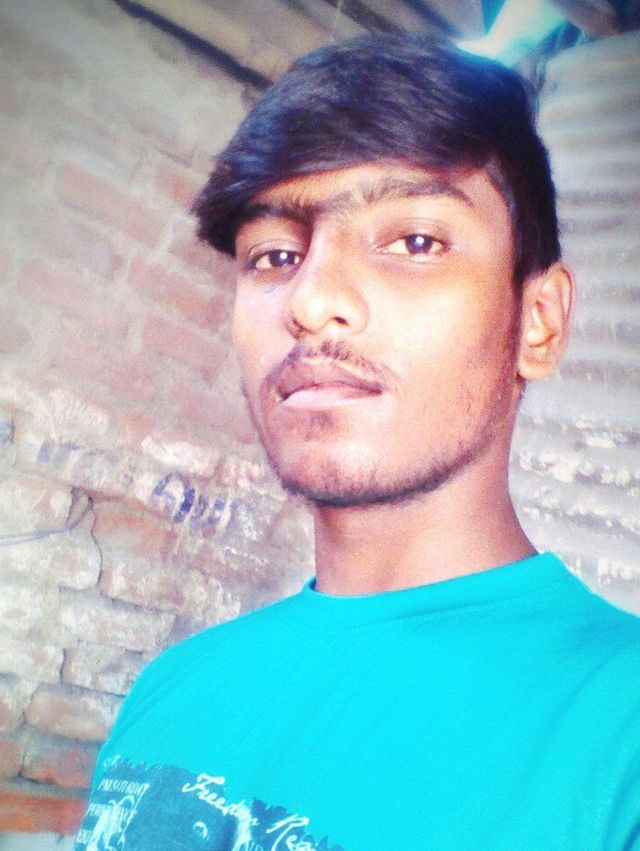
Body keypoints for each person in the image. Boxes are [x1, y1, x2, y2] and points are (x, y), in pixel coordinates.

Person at [75, 34, 640, 851]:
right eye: (274, 255)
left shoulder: (619, 730)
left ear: (539, 322)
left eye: (415, 242)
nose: (310, 301)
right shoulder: (170, 690)